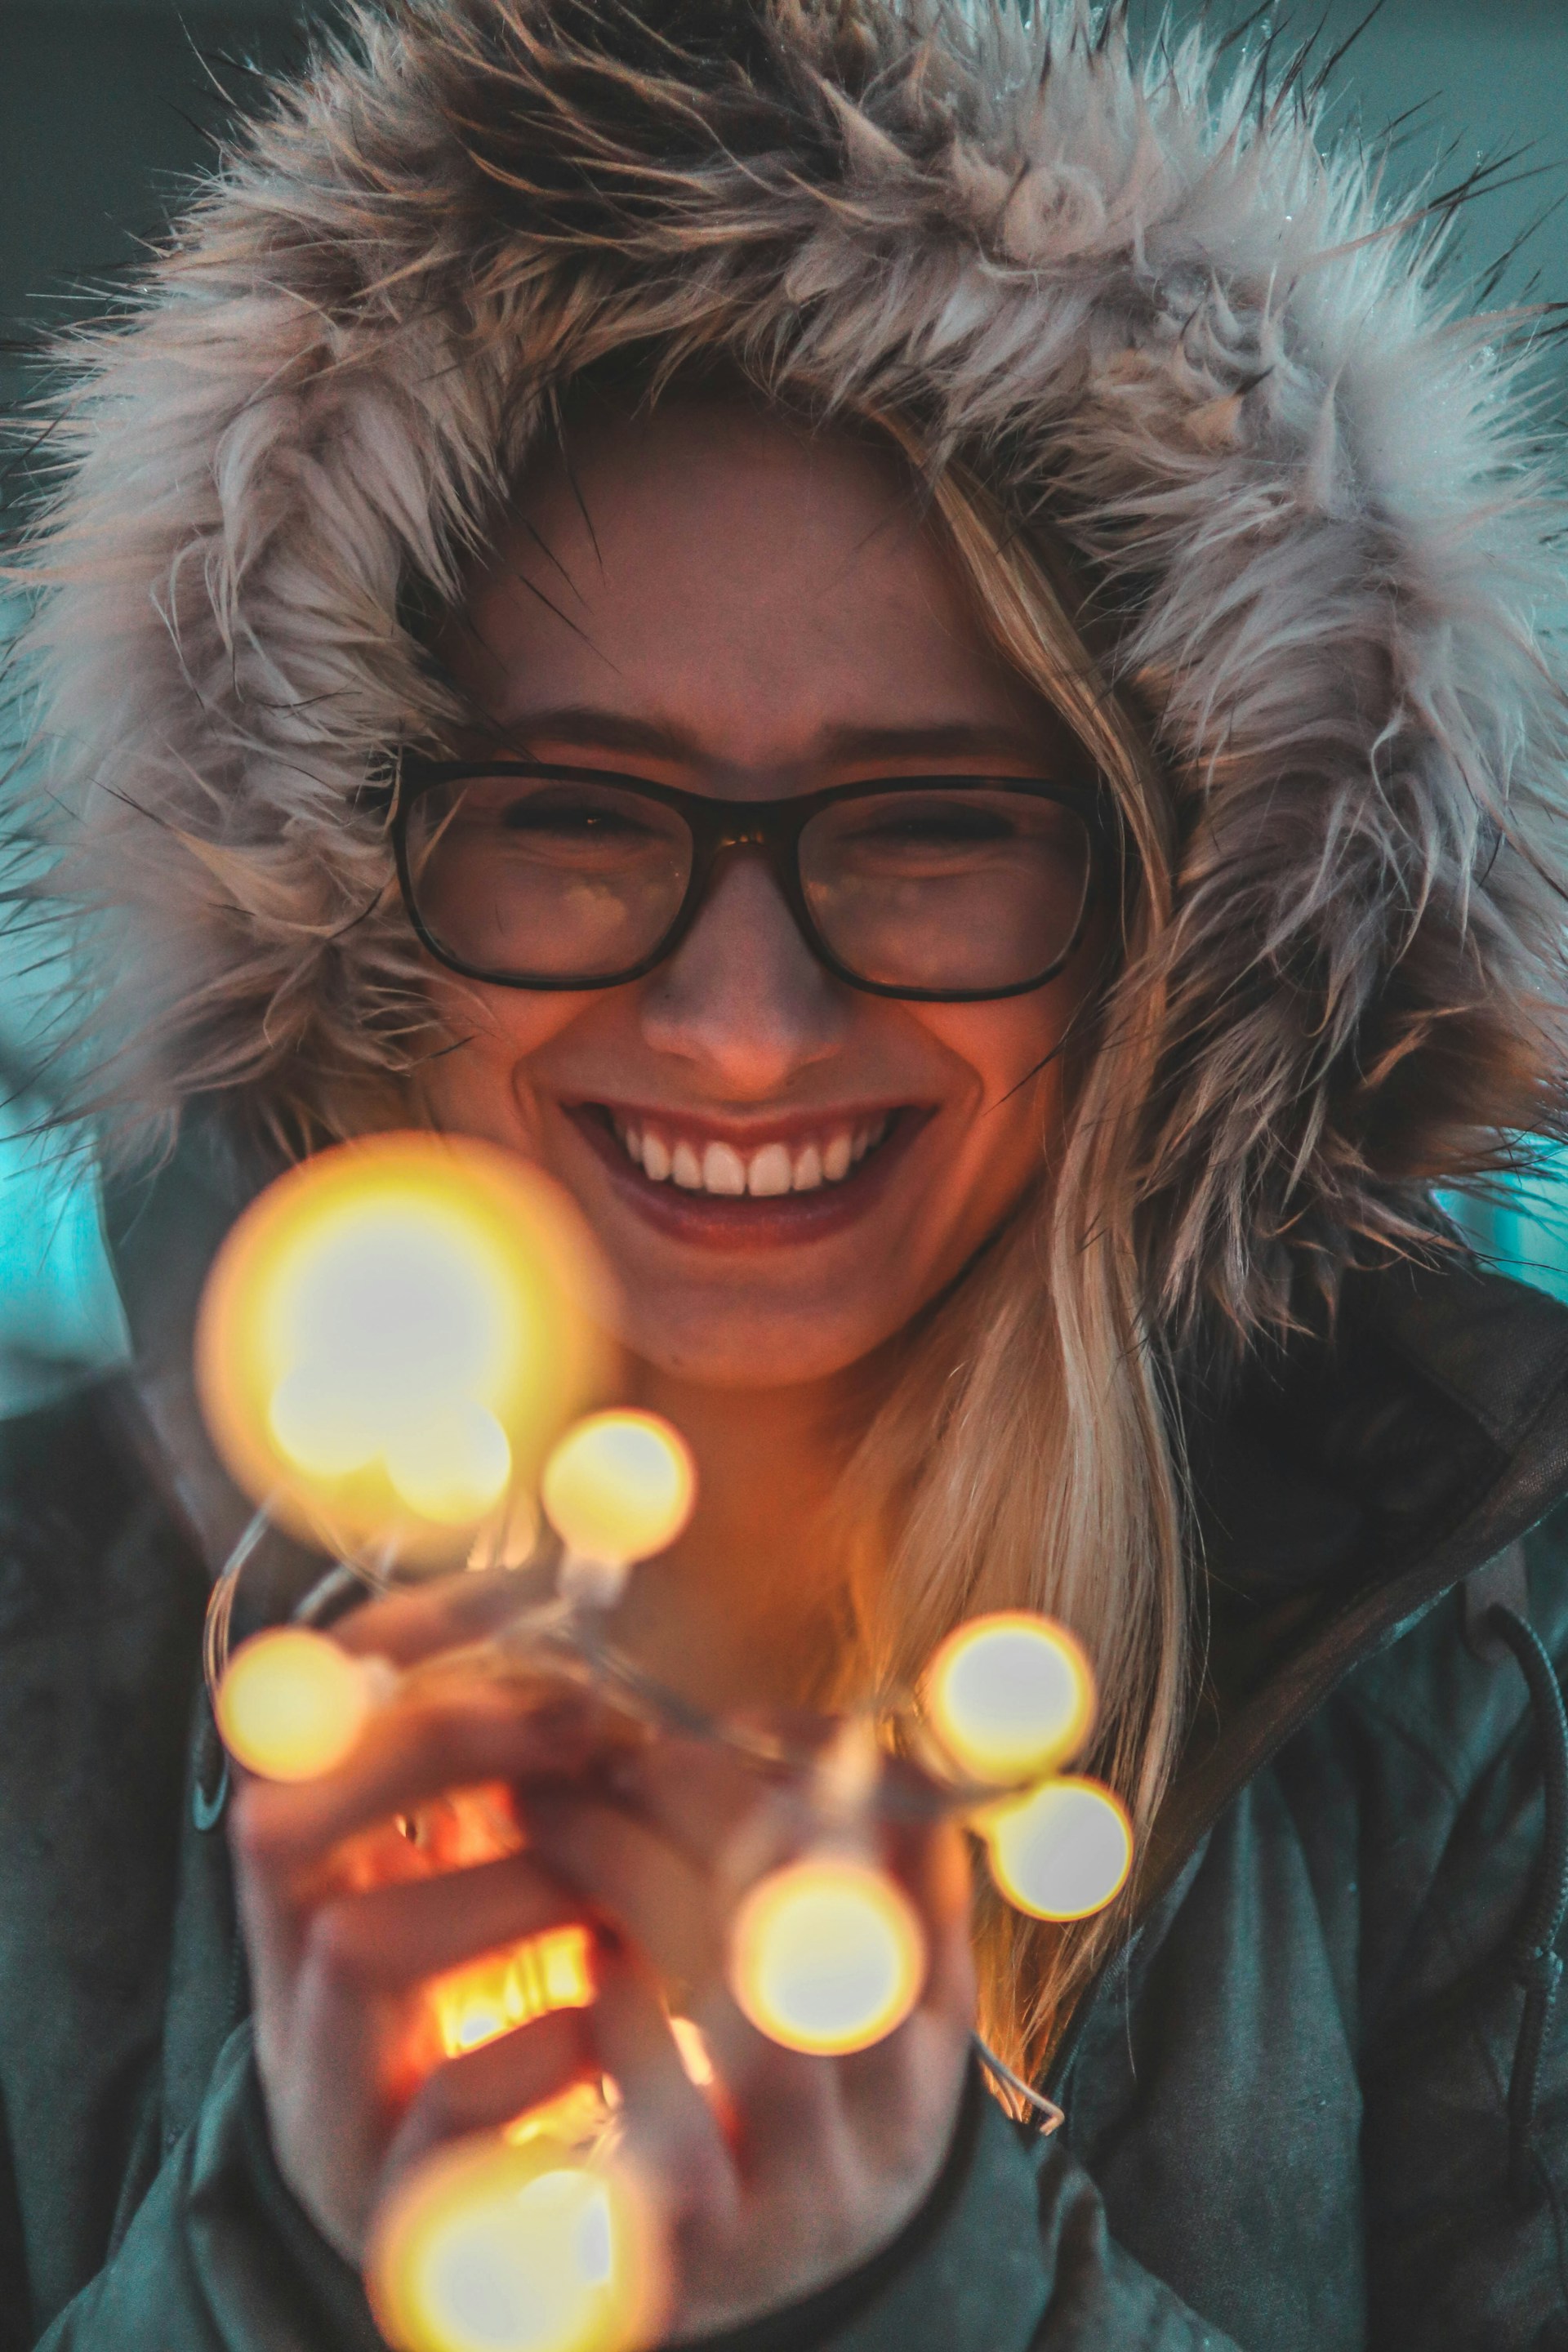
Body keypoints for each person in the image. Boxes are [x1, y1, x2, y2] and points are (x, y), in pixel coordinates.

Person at [5, 0, 1568, 2344]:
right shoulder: (39, 1666)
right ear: (340, 889)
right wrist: (283, 2255)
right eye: (574, 814)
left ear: (1175, 922)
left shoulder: (1487, 1675)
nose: (746, 1018)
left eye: (935, 826)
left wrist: (921, 2275)